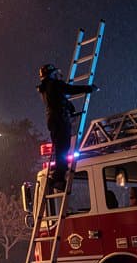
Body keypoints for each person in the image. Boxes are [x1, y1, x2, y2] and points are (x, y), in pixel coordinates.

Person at [37, 63, 98, 191]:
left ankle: (57, 177)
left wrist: (69, 106)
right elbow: (71, 89)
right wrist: (89, 88)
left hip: (53, 120)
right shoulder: (54, 84)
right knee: (63, 149)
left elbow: (58, 100)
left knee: (61, 149)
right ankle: (58, 178)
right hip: (60, 120)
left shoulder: (46, 88)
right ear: (52, 74)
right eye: (55, 74)